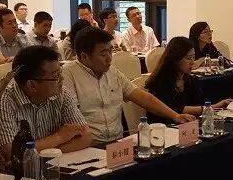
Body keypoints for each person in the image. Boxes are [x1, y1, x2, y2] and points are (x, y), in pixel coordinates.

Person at [62, 28, 194, 144]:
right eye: (103, 54)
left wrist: (175, 116)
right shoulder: (68, 75)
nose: (109, 58)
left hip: (117, 142)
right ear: (84, 56)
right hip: (88, 146)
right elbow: (72, 117)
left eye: (110, 51)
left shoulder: (112, 72)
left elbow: (143, 98)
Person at [0, 45, 92, 158]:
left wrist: (48, 153)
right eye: (56, 76)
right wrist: (59, 137)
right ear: (31, 85)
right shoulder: (1, 101)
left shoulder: (61, 92)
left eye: (60, 73)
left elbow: (85, 135)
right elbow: (12, 151)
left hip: (54, 163)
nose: (62, 79)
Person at [144, 37, 232, 124]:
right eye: (189, 58)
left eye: (193, 57)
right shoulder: (160, 81)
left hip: (186, 126)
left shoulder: (189, 80)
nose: (192, 62)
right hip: (163, 127)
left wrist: (216, 106)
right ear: (175, 59)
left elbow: (201, 102)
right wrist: (213, 107)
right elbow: (177, 109)